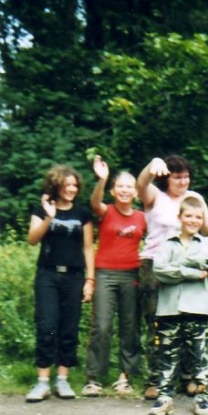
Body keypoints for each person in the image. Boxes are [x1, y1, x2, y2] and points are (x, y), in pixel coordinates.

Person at [136, 155, 208, 401]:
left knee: (188, 321)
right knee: (157, 323)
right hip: (155, 264)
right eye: (177, 177)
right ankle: (155, 379)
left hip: (189, 262)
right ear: (166, 178)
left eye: (186, 177)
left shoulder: (195, 198)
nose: (182, 181)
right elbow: (140, 184)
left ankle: (188, 377)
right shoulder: (155, 196)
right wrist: (152, 165)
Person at [25, 165, 95, 402]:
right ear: (56, 186)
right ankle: (43, 381)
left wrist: (90, 280)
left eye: (74, 185)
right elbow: (32, 239)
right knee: (47, 326)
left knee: (68, 328)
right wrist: (49, 216)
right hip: (47, 275)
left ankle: (63, 380)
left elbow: (88, 248)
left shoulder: (83, 214)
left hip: (74, 276)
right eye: (66, 185)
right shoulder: (41, 209)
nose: (71, 189)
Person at [82, 156, 146, 397]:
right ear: (113, 191)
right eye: (120, 186)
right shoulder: (105, 210)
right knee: (102, 325)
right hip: (105, 274)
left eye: (129, 186)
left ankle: (124, 377)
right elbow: (94, 202)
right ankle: (93, 378)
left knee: (130, 326)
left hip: (132, 274)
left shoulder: (142, 217)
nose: (125, 190)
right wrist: (102, 179)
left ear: (136, 192)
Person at [148, 196, 208, 415]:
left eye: (198, 217)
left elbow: (205, 261)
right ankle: (165, 397)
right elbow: (159, 270)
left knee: (199, 355)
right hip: (169, 308)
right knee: (167, 354)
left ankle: (202, 397)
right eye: (188, 216)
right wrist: (191, 272)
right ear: (180, 217)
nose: (193, 220)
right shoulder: (167, 244)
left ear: (202, 220)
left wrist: (174, 266)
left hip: (197, 307)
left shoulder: (206, 243)